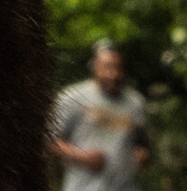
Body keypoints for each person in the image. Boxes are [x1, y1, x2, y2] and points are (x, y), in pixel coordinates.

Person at [50, 40, 151, 191]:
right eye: (107, 67)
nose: (114, 74)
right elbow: (48, 140)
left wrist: (142, 155)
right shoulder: (73, 97)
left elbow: (142, 144)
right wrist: (81, 157)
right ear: (94, 68)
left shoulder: (135, 103)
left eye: (119, 68)